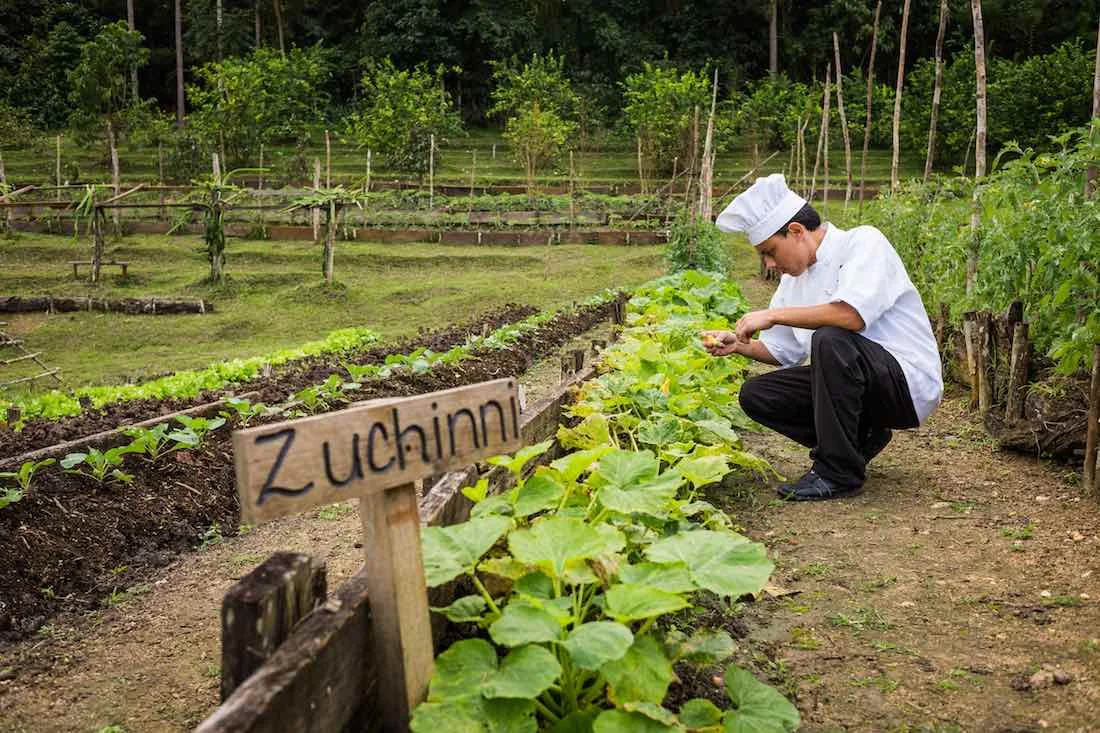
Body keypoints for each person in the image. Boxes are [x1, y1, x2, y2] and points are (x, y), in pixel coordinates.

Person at [703, 174, 943, 500]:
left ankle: (838, 473)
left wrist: (773, 315)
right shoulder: (793, 281)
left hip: (906, 384)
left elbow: (851, 316)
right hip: (860, 388)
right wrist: (738, 345)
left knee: (831, 339)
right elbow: (782, 351)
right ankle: (860, 438)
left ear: (796, 231)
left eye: (770, 251)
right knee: (757, 394)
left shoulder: (862, 242)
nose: (770, 263)